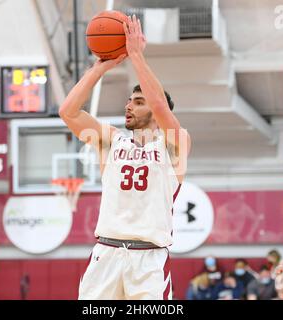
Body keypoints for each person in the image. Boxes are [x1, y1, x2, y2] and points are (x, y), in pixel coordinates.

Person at [59, 15, 191, 300]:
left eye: (138, 102)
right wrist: (99, 68)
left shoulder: (175, 144)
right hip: (106, 254)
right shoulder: (110, 140)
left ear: (157, 113)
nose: (129, 106)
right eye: (130, 100)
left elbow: (158, 102)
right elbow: (68, 112)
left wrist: (136, 56)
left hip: (148, 259)